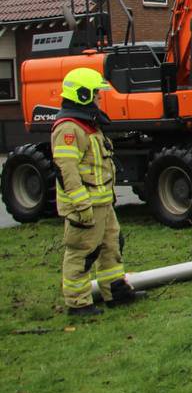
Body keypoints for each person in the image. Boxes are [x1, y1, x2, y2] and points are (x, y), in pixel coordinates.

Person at [52, 67, 146, 317]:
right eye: (96, 94)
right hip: (85, 207)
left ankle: (115, 292)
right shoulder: (68, 129)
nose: (99, 99)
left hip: (102, 204)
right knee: (82, 254)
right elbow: (67, 171)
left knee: (111, 247)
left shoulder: (89, 126)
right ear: (83, 95)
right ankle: (78, 303)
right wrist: (81, 205)